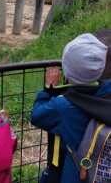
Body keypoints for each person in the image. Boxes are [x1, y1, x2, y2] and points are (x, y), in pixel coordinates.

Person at [30, 33, 111, 183]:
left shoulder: (63, 106)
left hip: (71, 172)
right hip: (98, 170)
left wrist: (49, 88)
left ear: (67, 70)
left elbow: (36, 115)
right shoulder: (107, 90)